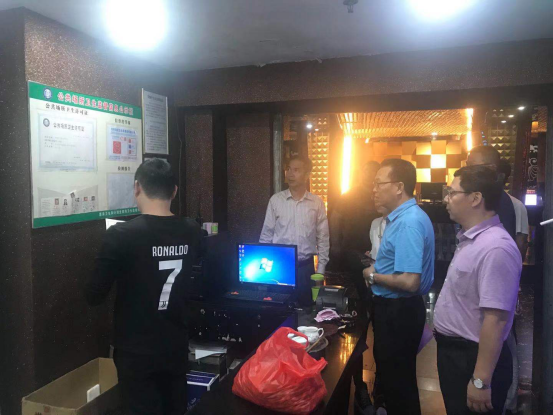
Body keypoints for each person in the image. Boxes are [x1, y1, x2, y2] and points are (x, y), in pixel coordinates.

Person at [85, 158, 204, 415]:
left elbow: (93, 294)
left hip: (135, 350)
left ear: (137, 187)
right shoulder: (192, 230)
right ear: (174, 191)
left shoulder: (121, 235)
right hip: (175, 345)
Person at [435, 165, 521, 415]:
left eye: (452, 192)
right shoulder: (472, 239)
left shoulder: (496, 248)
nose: (446, 199)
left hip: (472, 357)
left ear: (475, 198)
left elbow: (496, 319)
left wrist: (481, 380)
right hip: (455, 354)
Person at [362, 158, 435, 415]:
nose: (373, 189)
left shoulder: (407, 222)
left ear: (399, 187)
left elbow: (409, 281)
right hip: (396, 309)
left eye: (379, 183)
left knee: (399, 385)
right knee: (397, 381)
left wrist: (373, 276)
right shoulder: (403, 218)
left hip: (398, 311)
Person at [330, 161, 380, 413]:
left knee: (378, 328)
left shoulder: (380, 199)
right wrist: (335, 249)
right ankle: (358, 386)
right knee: (353, 327)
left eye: (373, 176)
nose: (368, 179)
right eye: (365, 173)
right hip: (349, 268)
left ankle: (379, 388)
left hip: (378, 268)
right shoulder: (348, 195)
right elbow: (335, 219)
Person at [259, 155, 329, 306]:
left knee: (307, 310)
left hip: (305, 268)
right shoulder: (276, 200)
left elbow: (323, 238)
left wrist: (320, 271)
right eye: (288, 169)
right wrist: (263, 271)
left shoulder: (316, 203)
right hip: (279, 267)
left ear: (307, 174)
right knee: (278, 310)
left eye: (296, 170)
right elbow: (266, 236)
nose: (290, 174)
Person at [497, 160, 528, 414]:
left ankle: (509, 401)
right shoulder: (477, 204)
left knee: (506, 339)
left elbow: (521, 245)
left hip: (504, 284)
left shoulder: (515, 205)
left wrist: (511, 281)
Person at [466, 146, 516, 240]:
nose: (466, 170)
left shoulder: (496, 198)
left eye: (472, 166)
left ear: (491, 168)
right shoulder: (481, 194)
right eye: (467, 165)